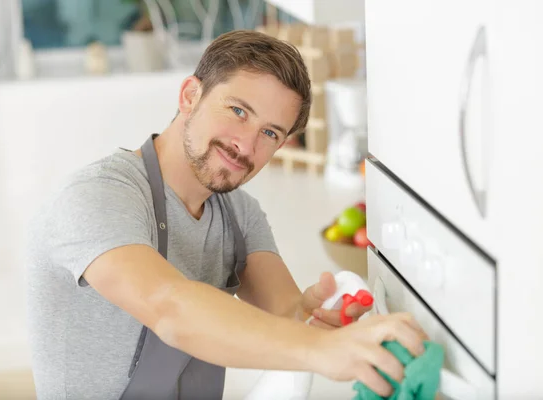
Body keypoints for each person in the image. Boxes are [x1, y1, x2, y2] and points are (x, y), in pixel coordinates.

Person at [25, 30, 427, 400]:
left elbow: (288, 315)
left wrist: (319, 318)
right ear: (189, 96)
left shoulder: (239, 215)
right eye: (238, 111)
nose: (245, 144)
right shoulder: (96, 196)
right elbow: (169, 307)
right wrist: (319, 348)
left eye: (270, 133)